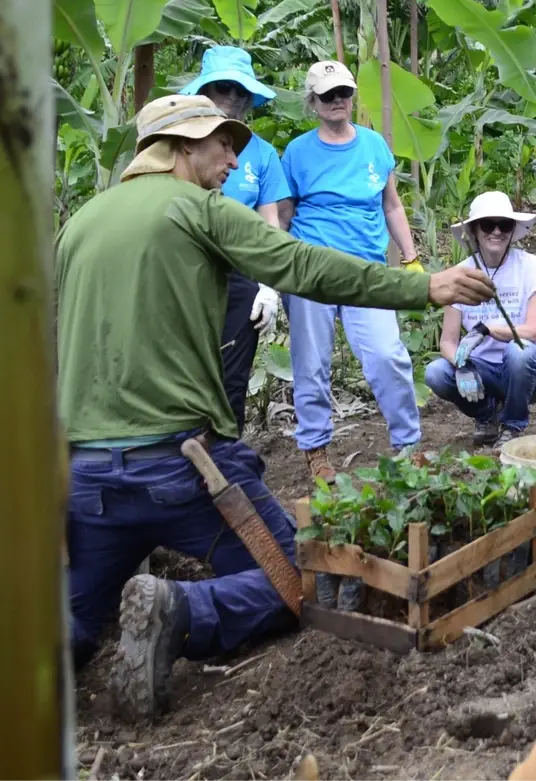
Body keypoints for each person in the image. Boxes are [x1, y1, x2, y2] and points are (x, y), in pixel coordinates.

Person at [56, 93, 494, 721]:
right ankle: (183, 612)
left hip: (87, 481)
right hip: (182, 471)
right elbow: (299, 264)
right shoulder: (199, 210)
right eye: (221, 143)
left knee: (76, 617)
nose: (233, 160)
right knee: (304, 580)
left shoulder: (80, 224)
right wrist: (422, 285)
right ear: (180, 147)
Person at [279, 60, 425, 483]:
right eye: (327, 95)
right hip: (312, 270)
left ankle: (408, 445)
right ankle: (316, 451)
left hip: (367, 269)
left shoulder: (375, 145)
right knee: (311, 365)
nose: (337, 101)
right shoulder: (298, 152)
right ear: (313, 102)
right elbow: (285, 214)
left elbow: (391, 204)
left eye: (343, 92)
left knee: (387, 355)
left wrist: (411, 256)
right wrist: (275, 275)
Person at [180, 45, 290, 433]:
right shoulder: (181, 143)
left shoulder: (260, 155)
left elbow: (270, 224)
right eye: (223, 88)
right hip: (183, 272)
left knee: (231, 375)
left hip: (240, 279)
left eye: (241, 91)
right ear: (205, 92)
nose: (232, 99)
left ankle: (224, 458)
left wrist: (270, 286)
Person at [425, 191, 536, 449]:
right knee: (436, 372)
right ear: (473, 231)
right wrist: (461, 365)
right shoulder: (460, 274)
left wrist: (486, 329)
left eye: (504, 224)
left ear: (513, 229)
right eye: (487, 224)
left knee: (520, 352)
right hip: (483, 370)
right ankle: (487, 416)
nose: (496, 231)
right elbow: (448, 341)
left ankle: (513, 425)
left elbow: (532, 329)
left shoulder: (533, 266)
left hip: (530, 369)